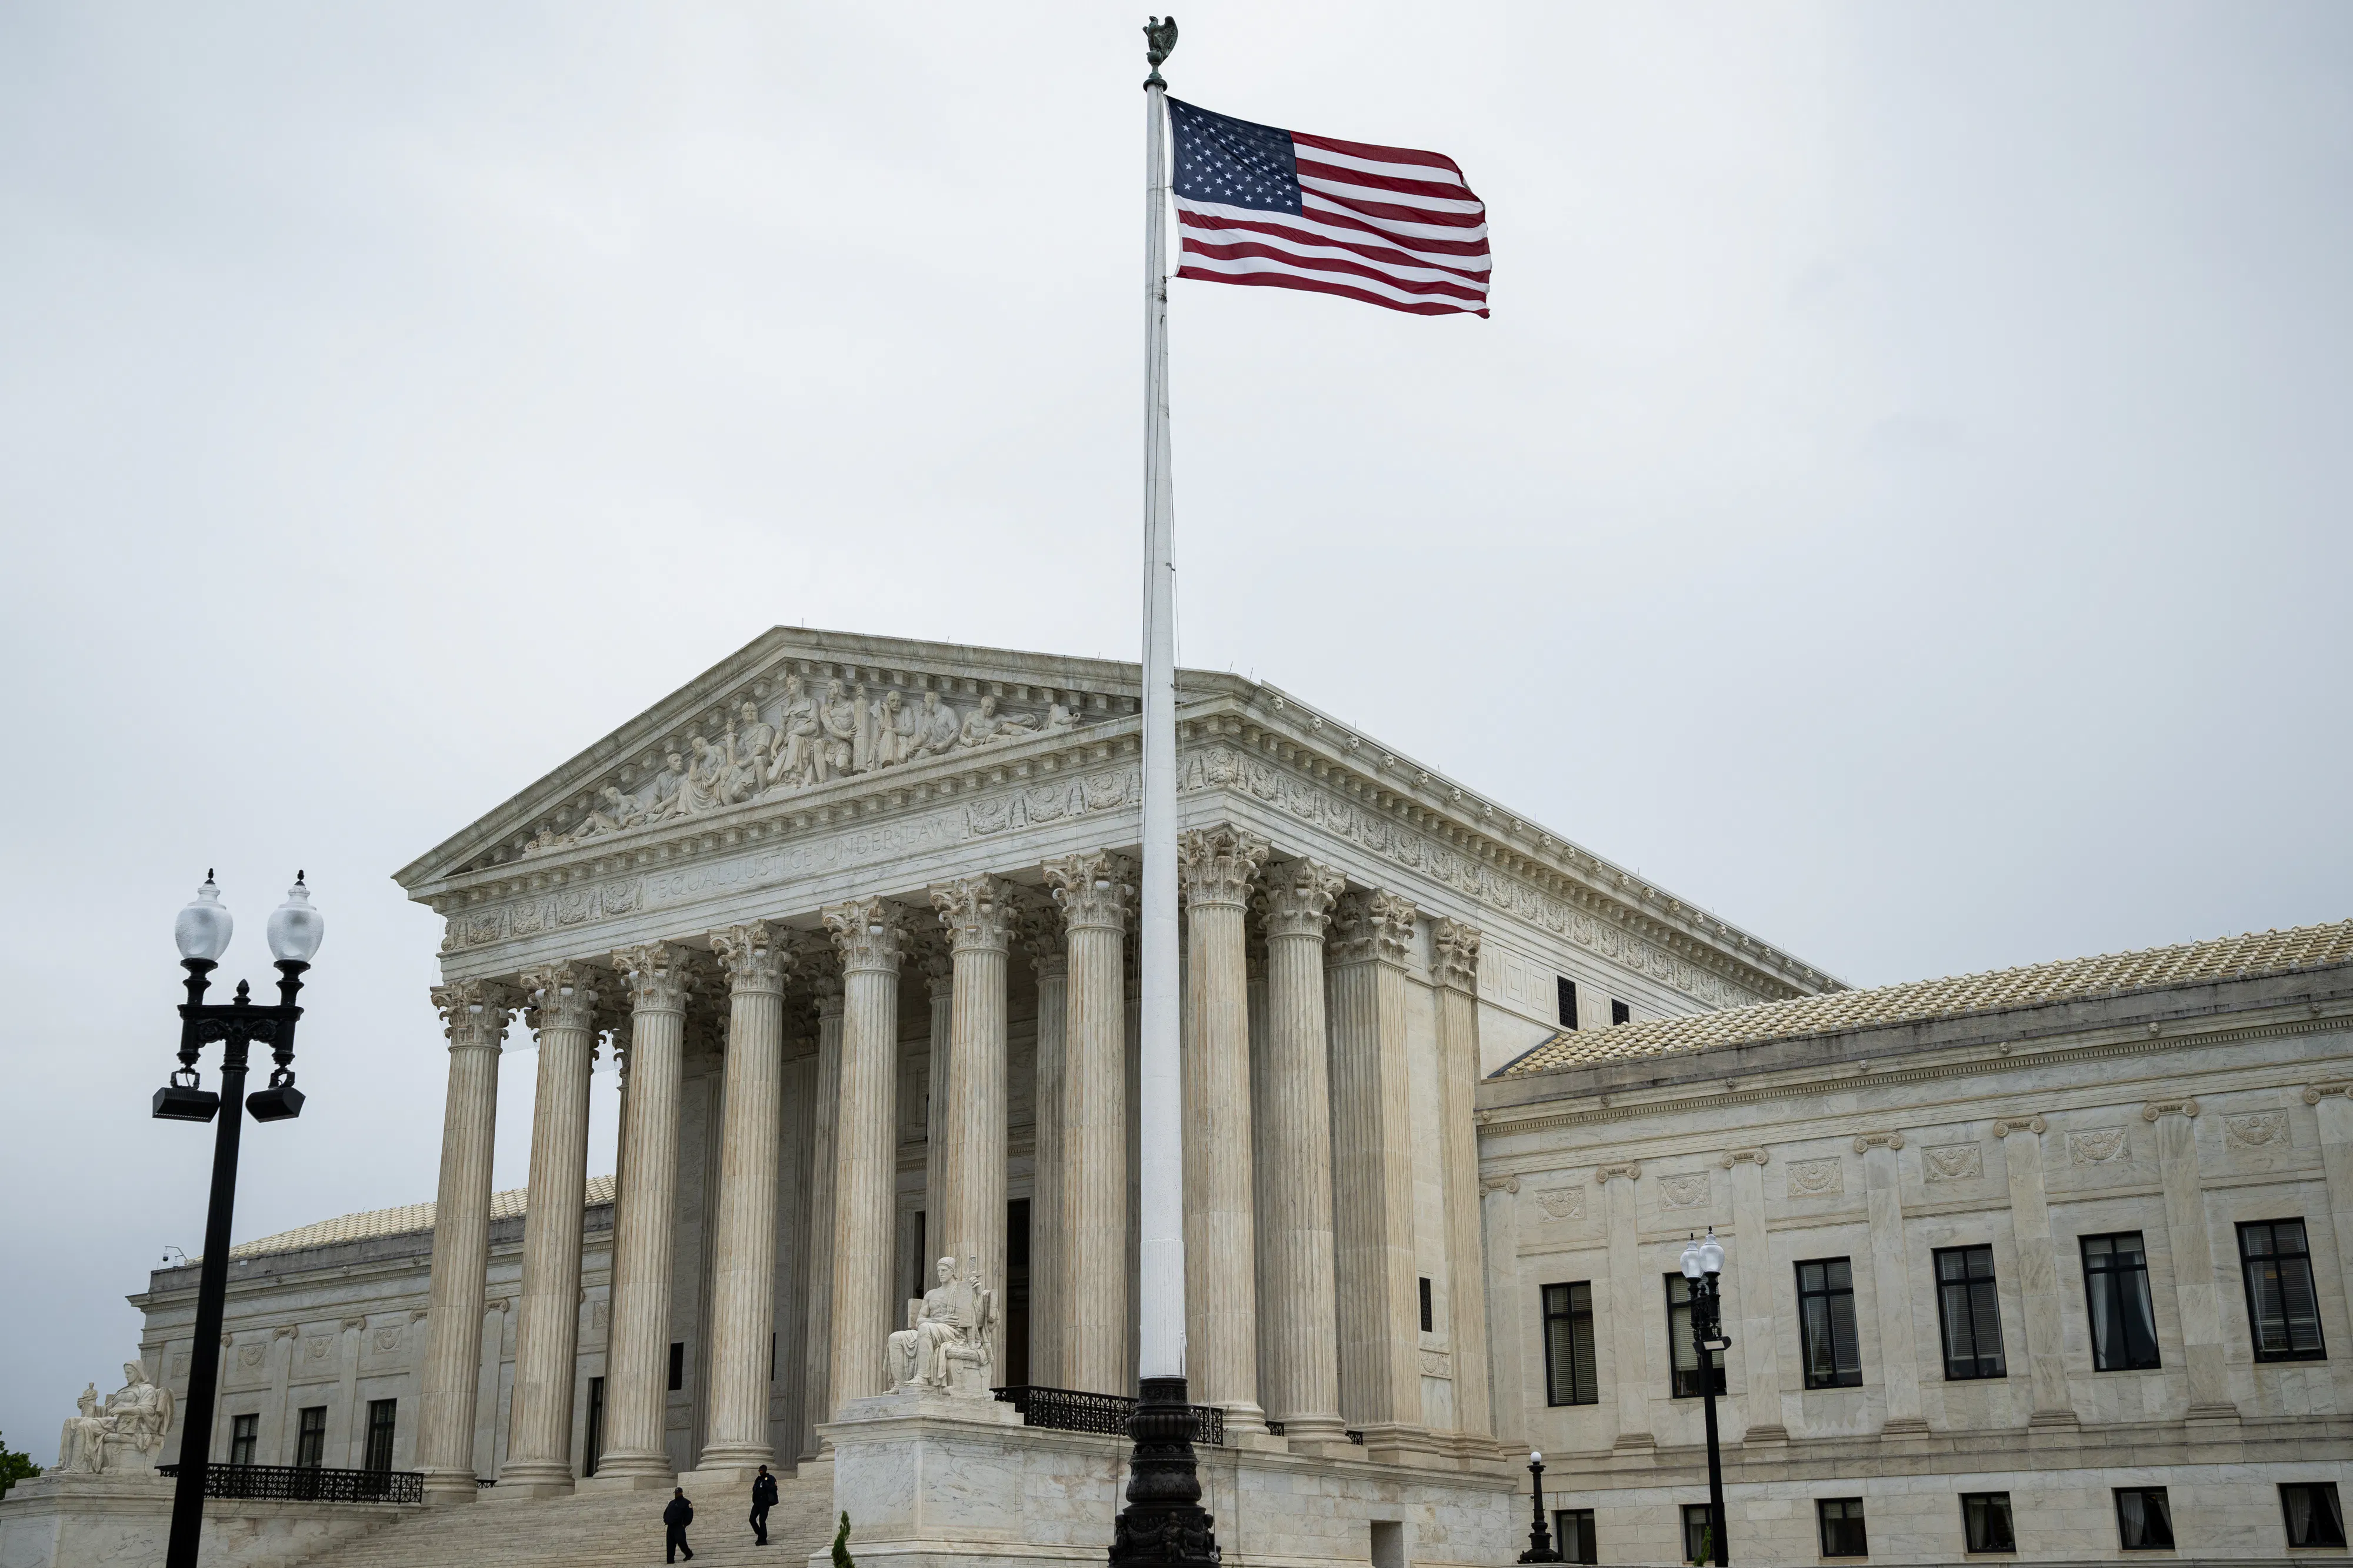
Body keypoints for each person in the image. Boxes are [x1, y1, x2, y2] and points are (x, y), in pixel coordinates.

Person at [664, 1487, 695, 1562]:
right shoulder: (672, 1503)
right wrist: (666, 1520)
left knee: (681, 1541)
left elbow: (690, 1515)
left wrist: (685, 1524)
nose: (676, 1494)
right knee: (670, 1544)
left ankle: (689, 1554)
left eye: (678, 1493)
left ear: (681, 1493)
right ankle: (670, 1560)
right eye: (676, 1493)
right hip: (670, 1526)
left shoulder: (686, 1503)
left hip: (679, 1526)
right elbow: (666, 1513)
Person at [749, 1464, 778, 1546]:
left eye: (762, 1470)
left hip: (765, 1502)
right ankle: (761, 1534)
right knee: (752, 1519)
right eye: (759, 1471)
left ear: (765, 1470)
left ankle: (763, 1538)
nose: (760, 1472)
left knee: (762, 1521)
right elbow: (755, 1489)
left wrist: (766, 1484)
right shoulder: (758, 1479)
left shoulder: (770, 1478)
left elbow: (774, 1488)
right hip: (757, 1502)